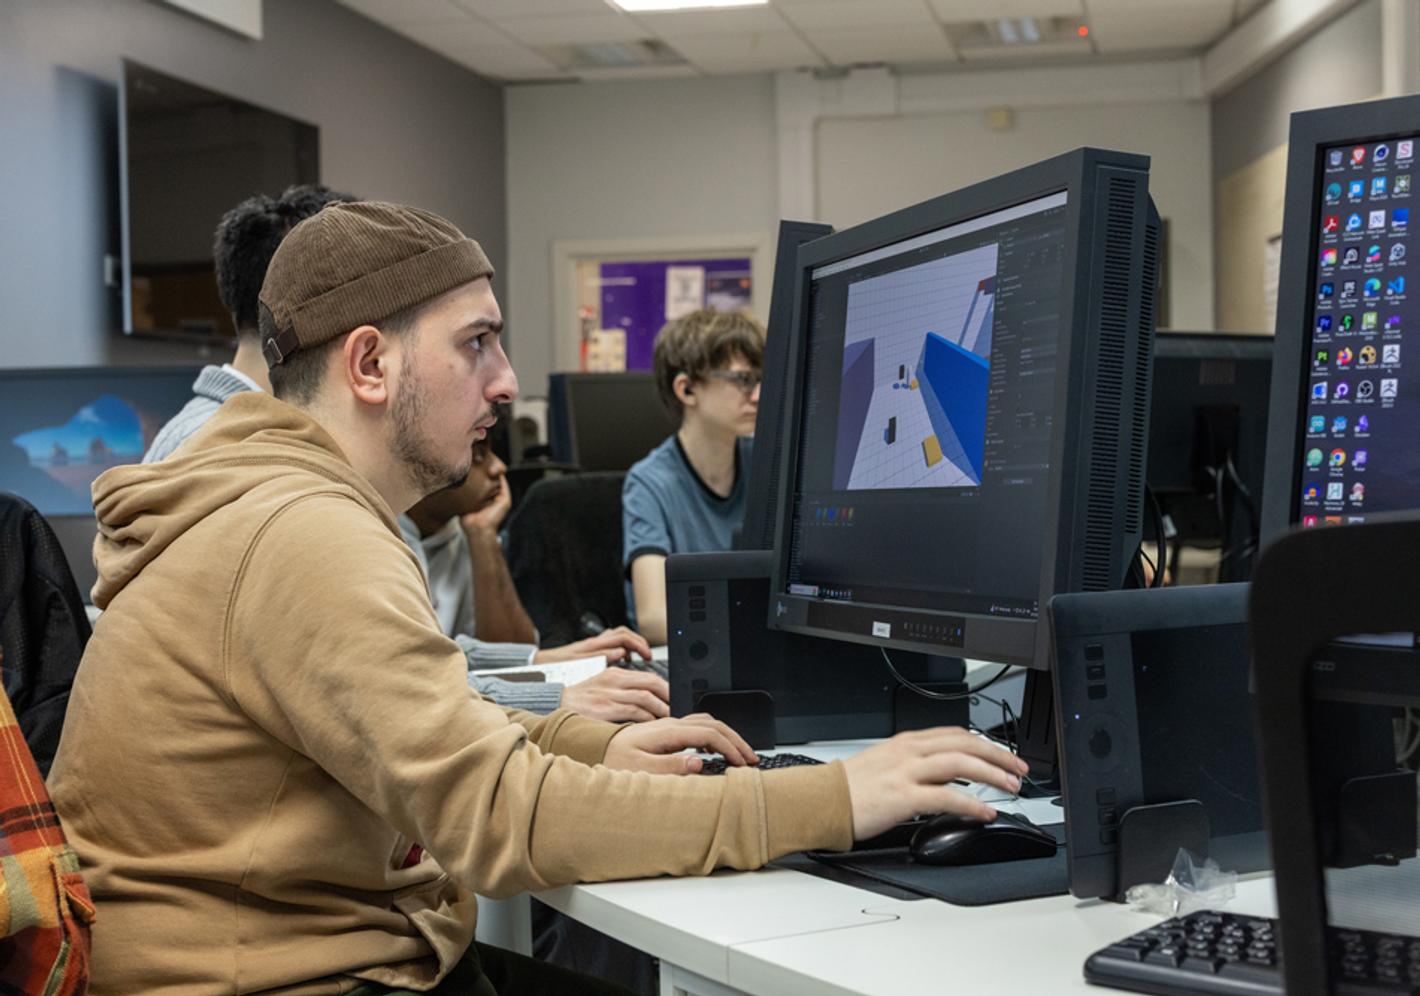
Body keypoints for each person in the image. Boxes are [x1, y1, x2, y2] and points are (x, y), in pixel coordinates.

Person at [48, 201, 1028, 994]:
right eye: (475, 343)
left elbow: (408, 713)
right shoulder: (302, 535)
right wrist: (834, 796)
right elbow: (498, 818)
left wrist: (588, 742)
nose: (507, 380)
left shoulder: (279, 502)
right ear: (370, 365)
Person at [144, 184, 653, 717]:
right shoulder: (227, 461)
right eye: (474, 342)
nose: (504, 384)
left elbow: (397, 652)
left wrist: (538, 660)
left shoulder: (306, 457)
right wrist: (555, 698)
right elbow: (381, 696)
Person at [404, 434, 672, 723]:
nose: (499, 468)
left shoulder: (461, 533)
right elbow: (414, 680)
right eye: (477, 454)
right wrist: (556, 698)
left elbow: (474, 649)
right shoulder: (374, 539)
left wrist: (484, 540)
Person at [623, 309, 764, 645]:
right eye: (743, 380)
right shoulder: (649, 483)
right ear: (687, 390)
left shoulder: (764, 464)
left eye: (762, 380)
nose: (758, 395)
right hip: (694, 655)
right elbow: (655, 620)